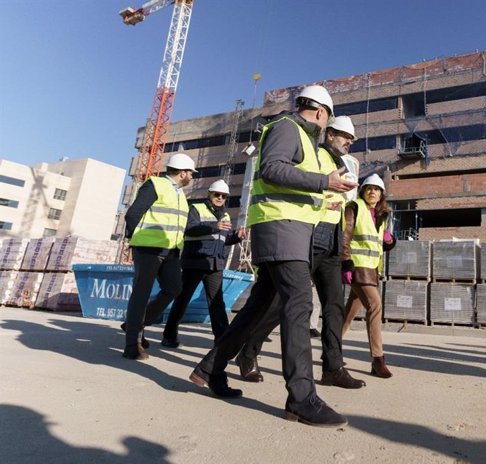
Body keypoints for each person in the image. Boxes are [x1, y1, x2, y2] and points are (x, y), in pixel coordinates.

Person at [188, 85, 357, 426]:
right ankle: (302, 398)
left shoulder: (304, 138)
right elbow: (272, 169)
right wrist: (323, 182)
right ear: (322, 113)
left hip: (289, 230)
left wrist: (326, 188)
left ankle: (209, 369)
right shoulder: (286, 127)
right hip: (282, 229)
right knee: (298, 304)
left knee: (257, 308)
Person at [234, 116, 365, 390]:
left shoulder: (345, 164)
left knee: (333, 307)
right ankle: (248, 352)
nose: (349, 141)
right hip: (308, 233)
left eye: (351, 138)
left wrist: (346, 248)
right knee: (282, 303)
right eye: (344, 136)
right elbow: (293, 179)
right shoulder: (314, 154)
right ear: (329, 134)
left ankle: (333, 367)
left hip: (332, 239)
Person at [122, 153, 196, 360]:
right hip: (147, 249)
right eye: (190, 172)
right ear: (182, 172)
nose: (192, 176)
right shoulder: (155, 185)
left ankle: (136, 324)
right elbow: (132, 214)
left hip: (171, 251)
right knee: (141, 293)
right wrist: (136, 239)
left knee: (173, 289)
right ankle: (132, 345)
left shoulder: (180, 194)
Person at [160, 179, 246, 348]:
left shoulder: (226, 215)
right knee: (182, 299)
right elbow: (190, 229)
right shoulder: (196, 209)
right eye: (217, 194)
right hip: (195, 262)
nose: (220, 198)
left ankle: (221, 339)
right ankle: (169, 335)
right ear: (210, 194)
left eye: (224, 196)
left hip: (215, 265)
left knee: (217, 303)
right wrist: (215, 226)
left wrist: (236, 237)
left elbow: (222, 240)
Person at [341, 173, 397, 378]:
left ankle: (332, 349)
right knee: (375, 306)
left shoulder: (380, 216)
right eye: (368, 188)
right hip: (357, 268)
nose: (372, 192)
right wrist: (346, 263)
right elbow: (345, 236)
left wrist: (390, 241)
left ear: (381, 194)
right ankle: (378, 359)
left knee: (349, 313)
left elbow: (377, 244)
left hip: (372, 270)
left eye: (376, 189)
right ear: (363, 191)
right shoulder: (354, 207)